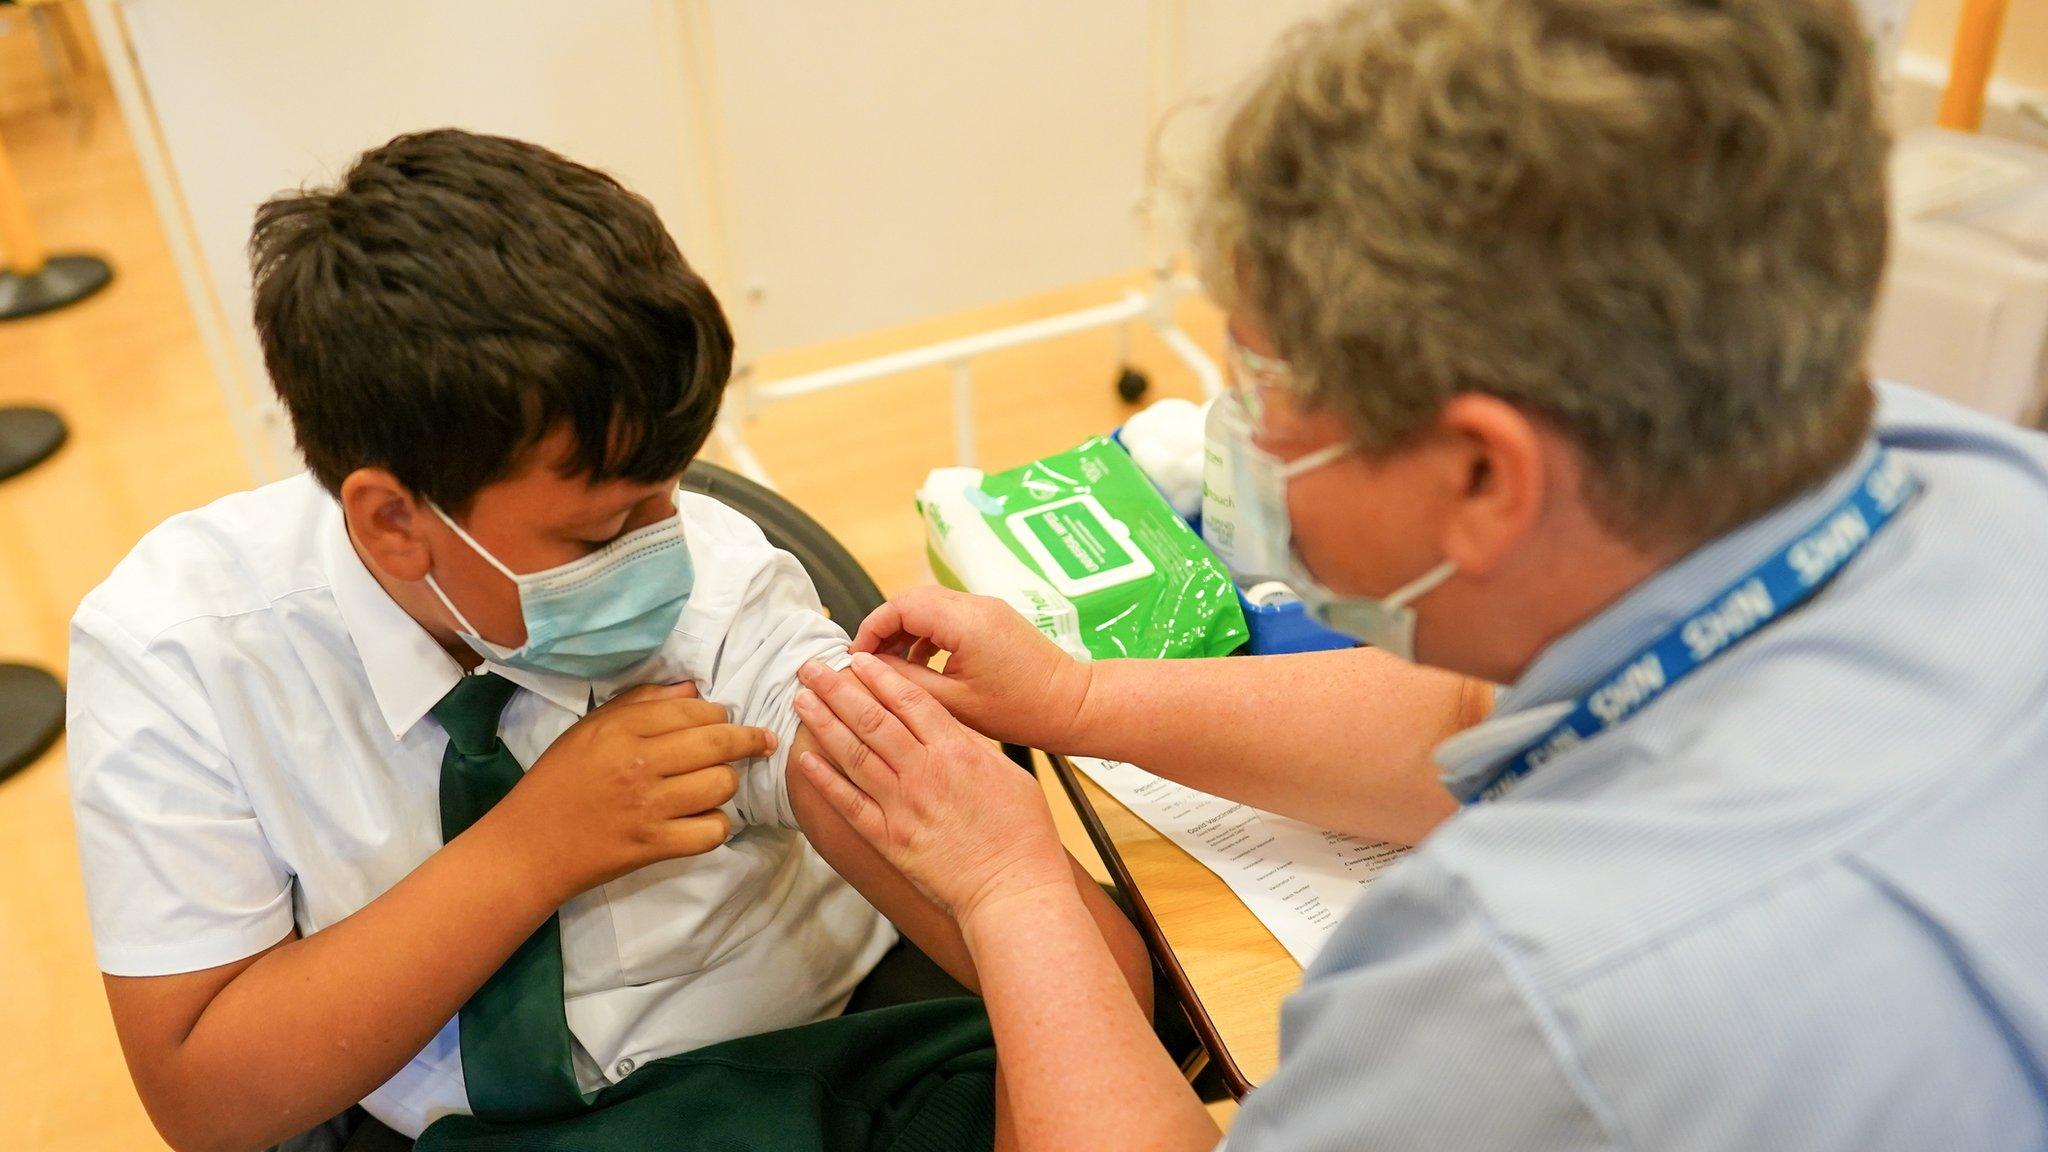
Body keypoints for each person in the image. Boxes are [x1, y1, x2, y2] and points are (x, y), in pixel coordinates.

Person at [790, 1, 2048, 1148]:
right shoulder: (1954, 473)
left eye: (1265, 390)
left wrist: (1012, 894)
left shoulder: (1525, 999)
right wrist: (1075, 703)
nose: (1238, 433)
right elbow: (1478, 725)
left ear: (1486, 476)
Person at [67, 129, 1151, 1152]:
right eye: (601, 529)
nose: (663, 551)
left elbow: (1085, 986)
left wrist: (969, 836)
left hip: (811, 1061)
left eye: (665, 495)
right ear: (393, 522)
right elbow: (204, 1097)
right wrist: (528, 851)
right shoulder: (179, 658)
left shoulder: (721, 600)